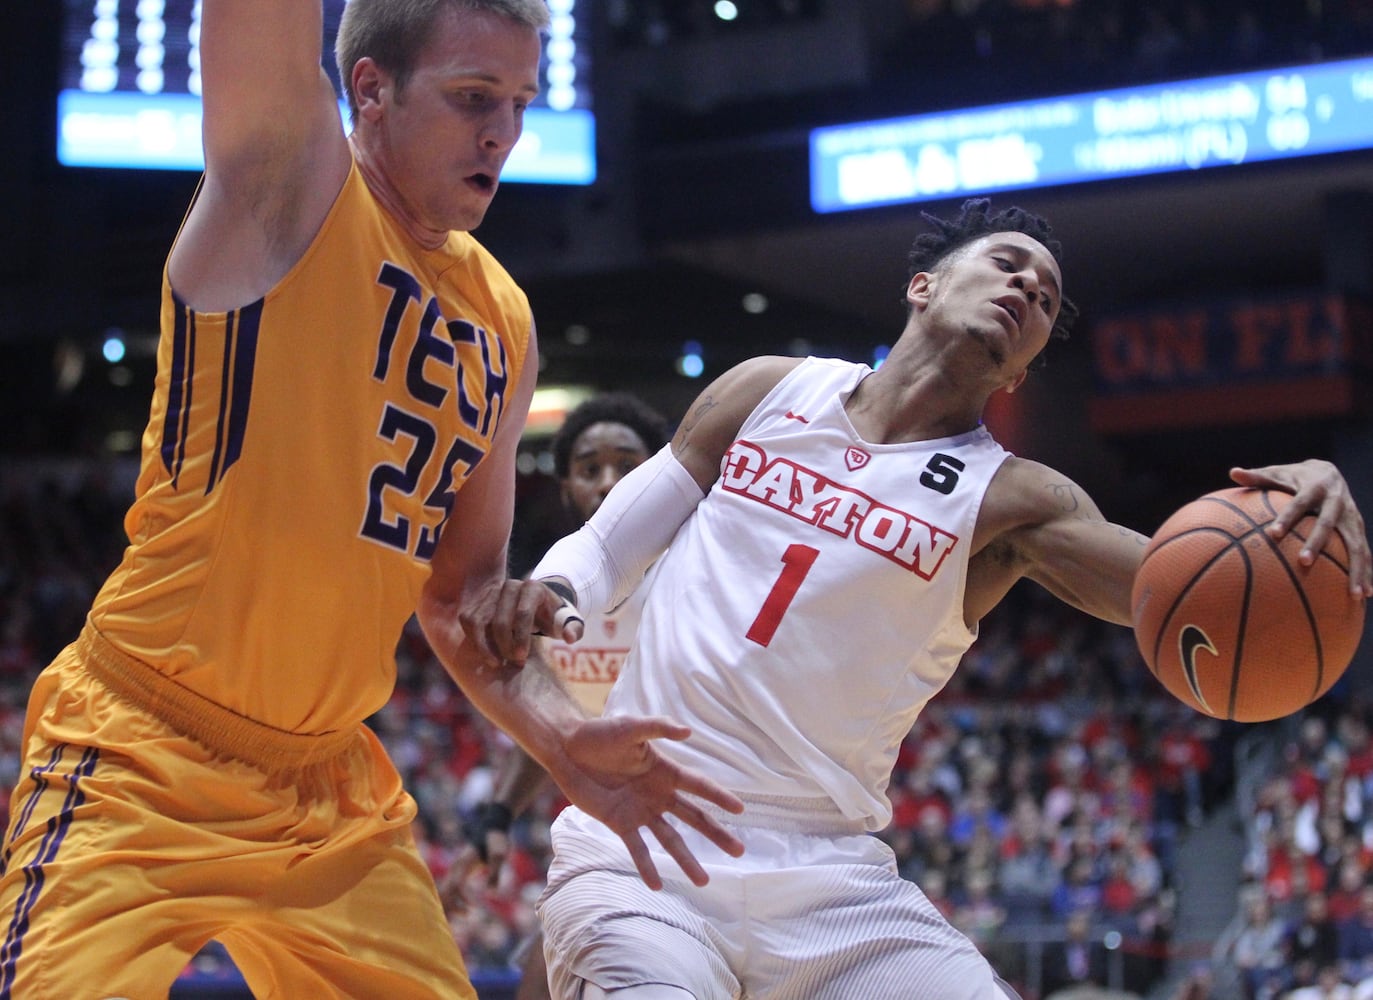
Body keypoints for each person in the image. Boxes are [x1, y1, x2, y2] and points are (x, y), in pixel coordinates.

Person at [0, 2, 741, 997]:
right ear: (369, 90)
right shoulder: (290, 183)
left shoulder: (502, 320)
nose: (502, 134)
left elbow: (461, 595)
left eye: (518, 103)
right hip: (144, 747)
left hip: (329, 791)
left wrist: (563, 741)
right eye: (473, 98)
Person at [462, 197, 1373, 999]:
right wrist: (556, 587)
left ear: (1018, 373)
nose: (1027, 290)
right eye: (1007, 264)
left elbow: (1179, 588)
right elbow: (622, 531)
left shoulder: (1010, 499)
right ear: (923, 286)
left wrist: (1299, 528)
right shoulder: (770, 389)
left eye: (1046, 299)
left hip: (828, 876)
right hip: (644, 833)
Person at [450, 391, 670, 999]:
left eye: (627, 465)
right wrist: (495, 818)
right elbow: (555, 725)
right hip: (612, 828)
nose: (607, 482)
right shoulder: (551, 588)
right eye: (589, 468)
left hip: (705, 817)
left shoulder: (695, 570)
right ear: (567, 486)